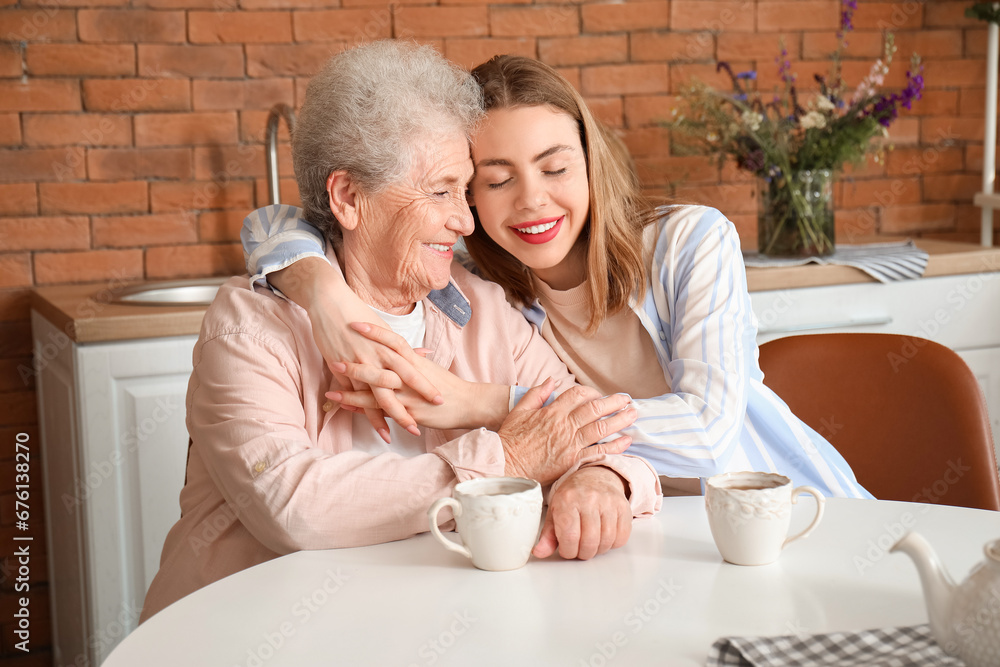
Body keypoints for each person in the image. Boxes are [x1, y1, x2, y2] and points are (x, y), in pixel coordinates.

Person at [141, 42, 663, 623]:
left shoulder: (482, 309)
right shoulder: (251, 326)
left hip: (436, 626)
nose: (465, 221)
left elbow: (594, 427)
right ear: (348, 198)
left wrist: (599, 480)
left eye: (465, 191)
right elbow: (297, 507)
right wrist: (507, 456)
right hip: (262, 635)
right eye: (440, 191)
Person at [242, 53, 871, 500]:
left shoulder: (689, 242)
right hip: (647, 528)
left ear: (591, 165)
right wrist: (323, 296)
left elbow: (706, 439)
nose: (533, 201)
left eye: (555, 167)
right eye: (496, 179)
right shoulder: (479, 283)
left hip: (783, 511)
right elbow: (273, 223)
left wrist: (480, 402)